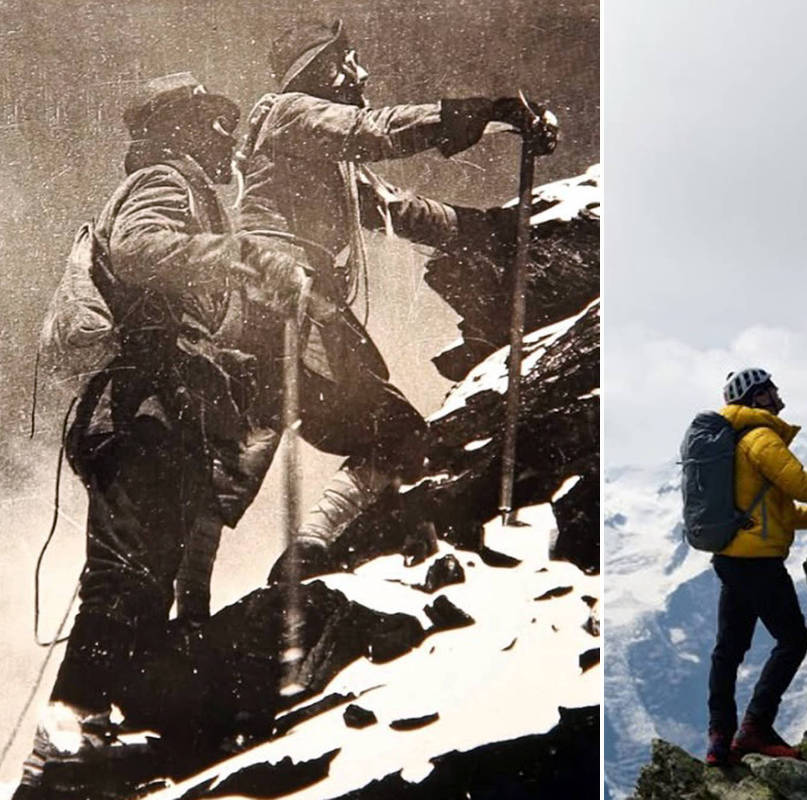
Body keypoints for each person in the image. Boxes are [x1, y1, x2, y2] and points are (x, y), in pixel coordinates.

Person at [16, 73, 291, 794]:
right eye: (210, 121)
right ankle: (67, 747)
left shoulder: (193, 193)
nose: (224, 135)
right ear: (179, 127)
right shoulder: (165, 181)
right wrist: (243, 257)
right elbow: (140, 251)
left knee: (148, 577)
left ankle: (125, 729)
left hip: (168, 414)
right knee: (128, 575)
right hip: (143, 407)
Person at [235, 19, 556, 580]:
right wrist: (490, 110)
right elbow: (376, 130)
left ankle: (307, 556)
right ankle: (311, 553)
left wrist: (484, 228)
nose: (360, 72)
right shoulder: (289, 113)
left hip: (284, 307)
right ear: (319, 71)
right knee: (396, 430)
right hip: (287, 302)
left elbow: (395, 208)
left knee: (369, 434)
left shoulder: (316, 152)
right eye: (348, 60)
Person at [705, 368, 807, 766]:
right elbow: (799, 484)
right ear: (757, 398)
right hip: (758, 562)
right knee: (792, 640)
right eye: (770, 389)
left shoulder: (737, 441)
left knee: (728, 650)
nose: (778, 394)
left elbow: (778, 511)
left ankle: (719, 738)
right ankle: (755, 727)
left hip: (731, 558)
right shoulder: (761, 438)